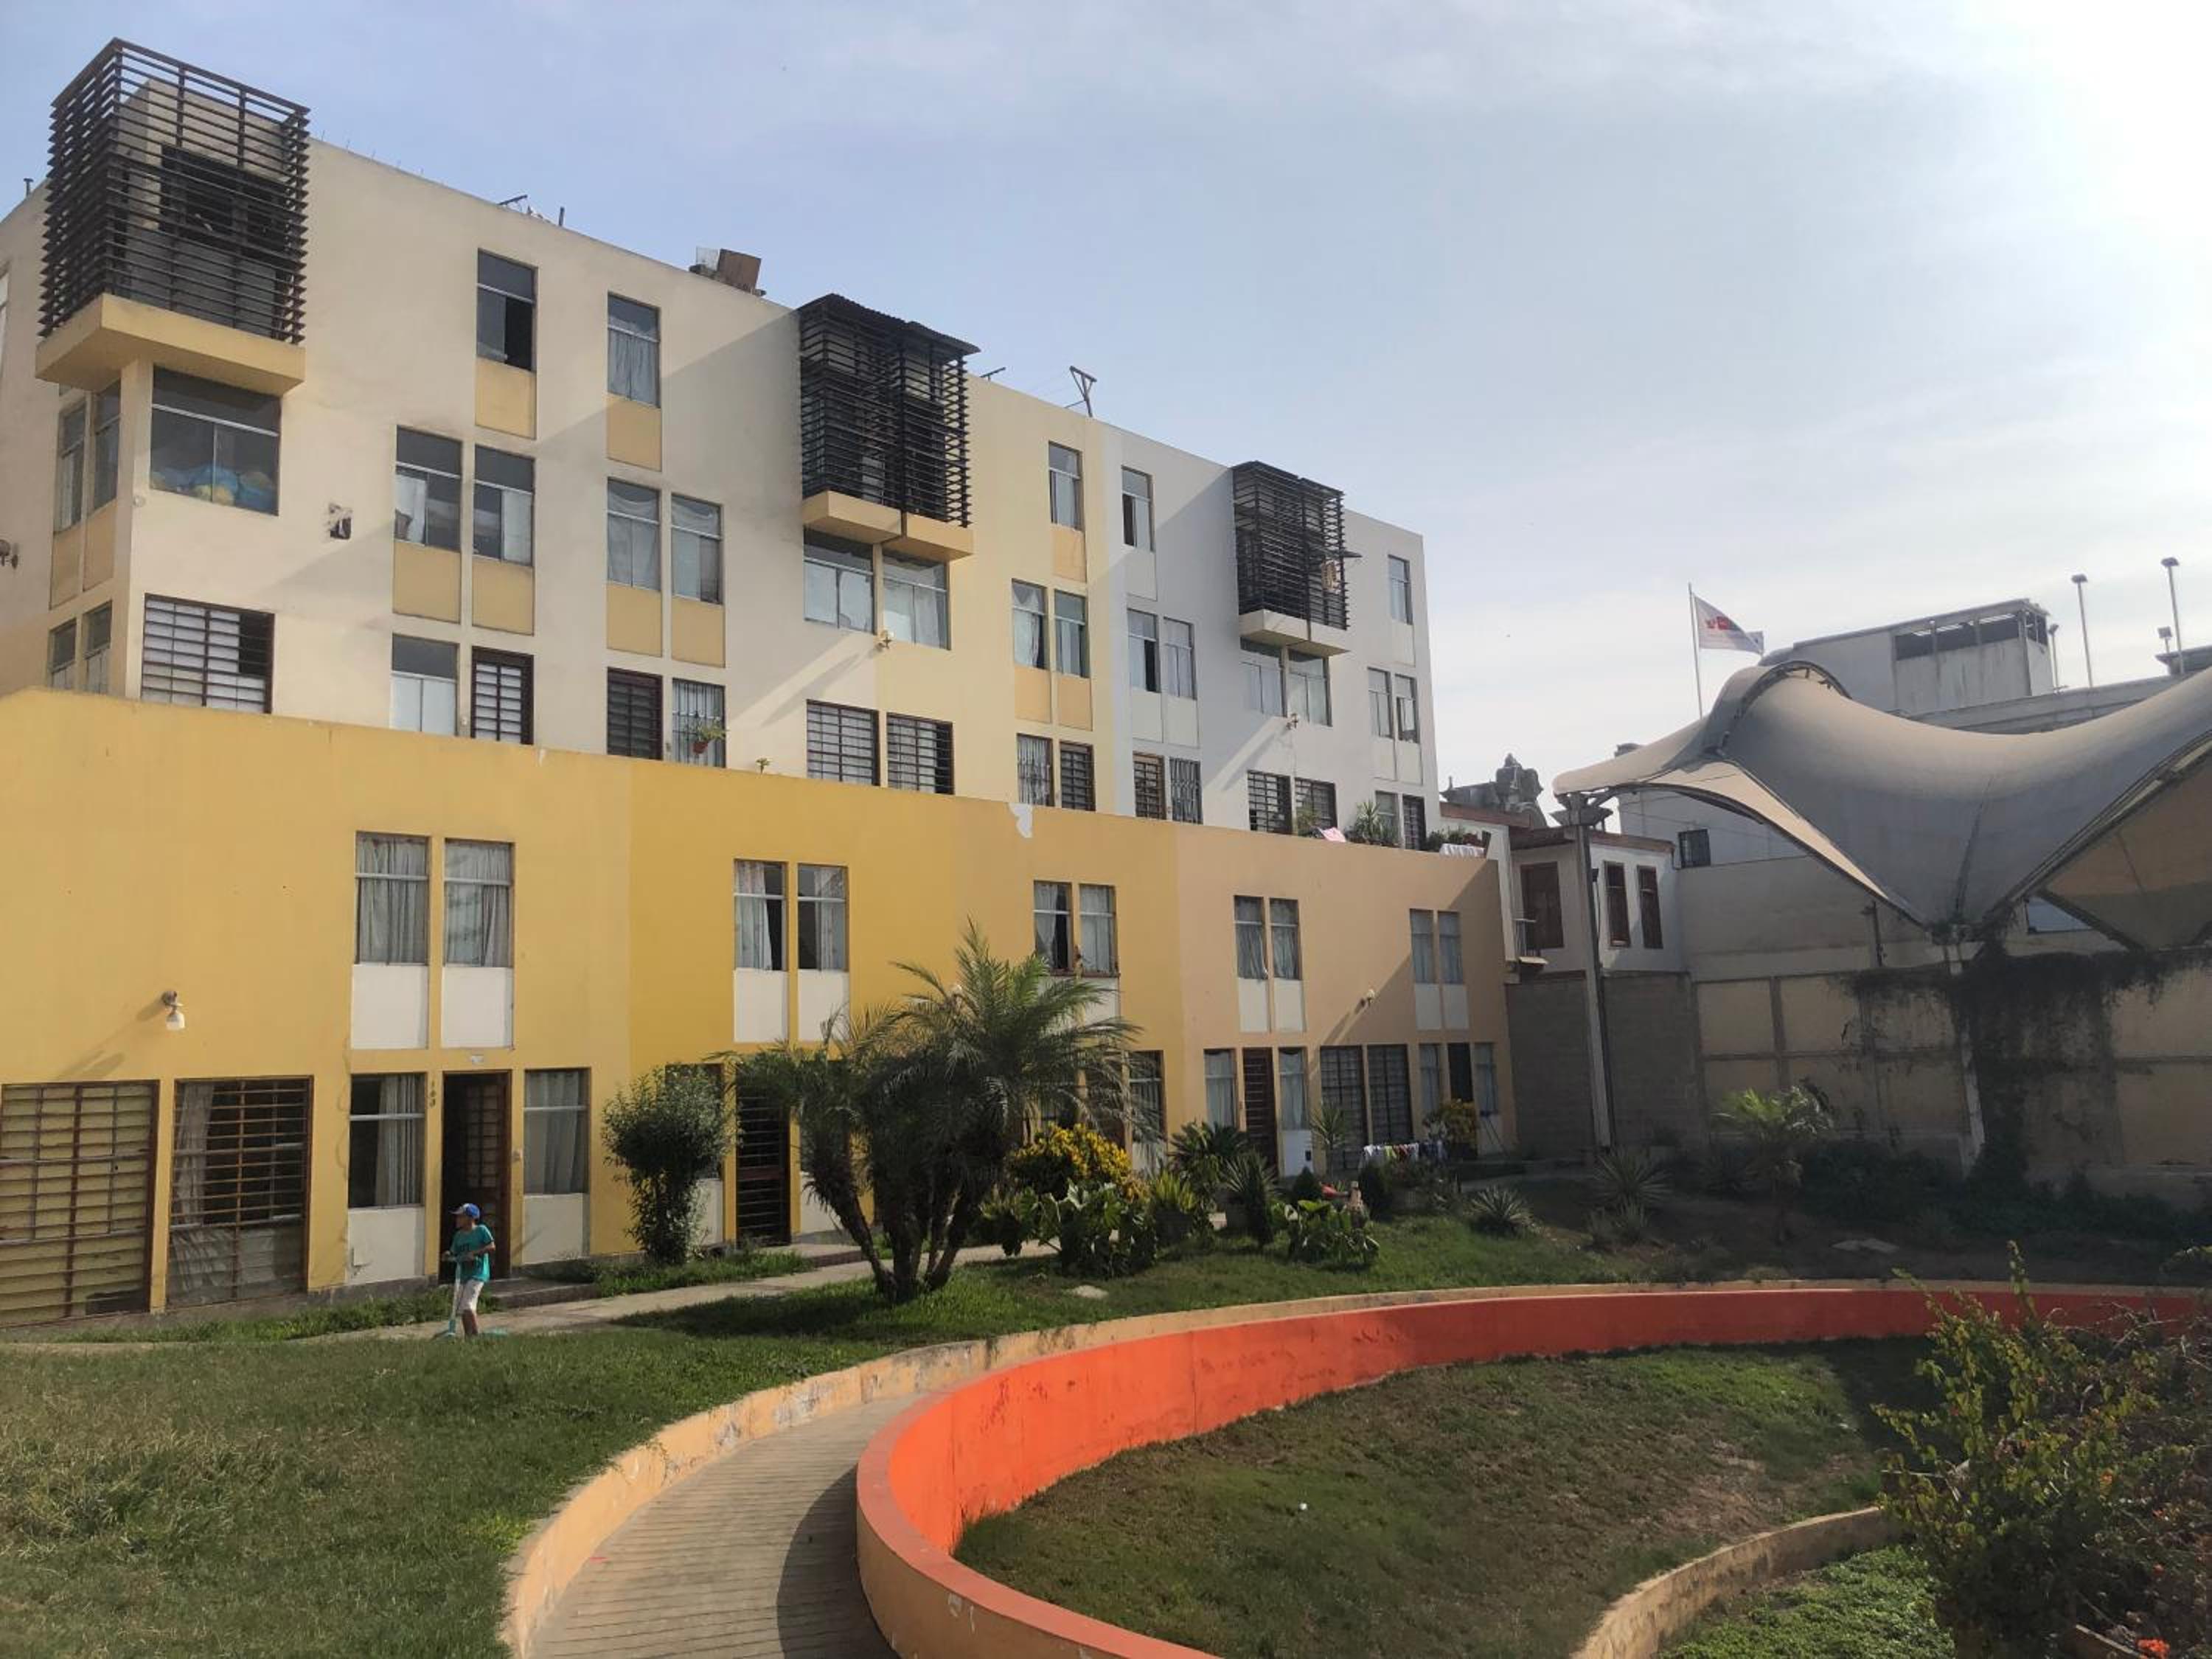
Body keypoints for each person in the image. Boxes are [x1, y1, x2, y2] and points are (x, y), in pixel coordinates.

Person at [447, 1202, 495, 1338]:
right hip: (463, 1274)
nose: (457, 1219)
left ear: (470, 1218)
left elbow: (491, 1246)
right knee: (462, 1307)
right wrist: (448, 1255)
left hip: (478, 1273)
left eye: (461, 1217)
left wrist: (474, 1253)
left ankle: (475, 1335)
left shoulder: (481, 1230)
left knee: (468, 1304)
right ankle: (468, 1336)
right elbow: (453, 1252)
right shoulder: (458, 1235)